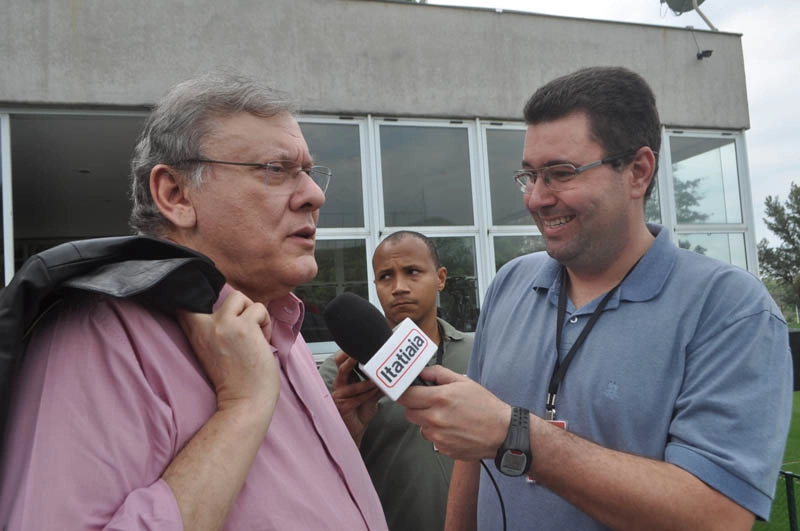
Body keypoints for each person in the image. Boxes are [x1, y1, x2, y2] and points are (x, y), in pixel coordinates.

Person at [397, 66, 793, 530]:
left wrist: (517, 436)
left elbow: (717, 516)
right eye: (530, 175)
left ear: (638, 172)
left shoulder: (730, 309)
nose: (537, 198)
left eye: (560, 173)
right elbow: (472, 454)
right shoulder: (510, 284)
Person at [0, 72, 387, 530]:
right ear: (176, 195)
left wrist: (335, 439)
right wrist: (242, 408)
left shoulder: (274, 320)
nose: (314, 195)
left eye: (308, 171)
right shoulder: (99, 335)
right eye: (275, 170)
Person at [319, 230, 474, 531]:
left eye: (412, 272)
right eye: (386, 277)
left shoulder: (481, 354)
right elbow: (316, 478)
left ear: (440, 278)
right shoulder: (340, 375)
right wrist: (346, 431)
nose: (399, 287)